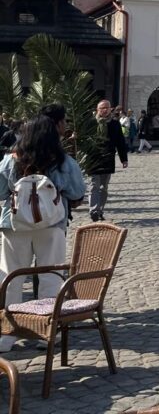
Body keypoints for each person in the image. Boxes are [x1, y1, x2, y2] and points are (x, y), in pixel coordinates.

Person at [0, 116, 86, 351]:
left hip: (15, 224)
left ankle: (8, 333)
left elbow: (0, 192)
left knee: (11, 277)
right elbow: (77, 192)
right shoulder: (64, 162)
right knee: (51, 276)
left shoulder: (11, 160)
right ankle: (46, 331)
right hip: (51, 224)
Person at [83, 100, 128, 222]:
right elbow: (84, 139)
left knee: (104, 187)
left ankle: (100, 210)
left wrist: (124, 159)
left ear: (110, 109)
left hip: (108, 158)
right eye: (102, 108)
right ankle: (94, 210)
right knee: (94, 185)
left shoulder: (115, 124)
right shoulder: (91, 123)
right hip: (93, 158)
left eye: (107, 107)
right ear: (97, 110)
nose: (105, 110)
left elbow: (120, 142)